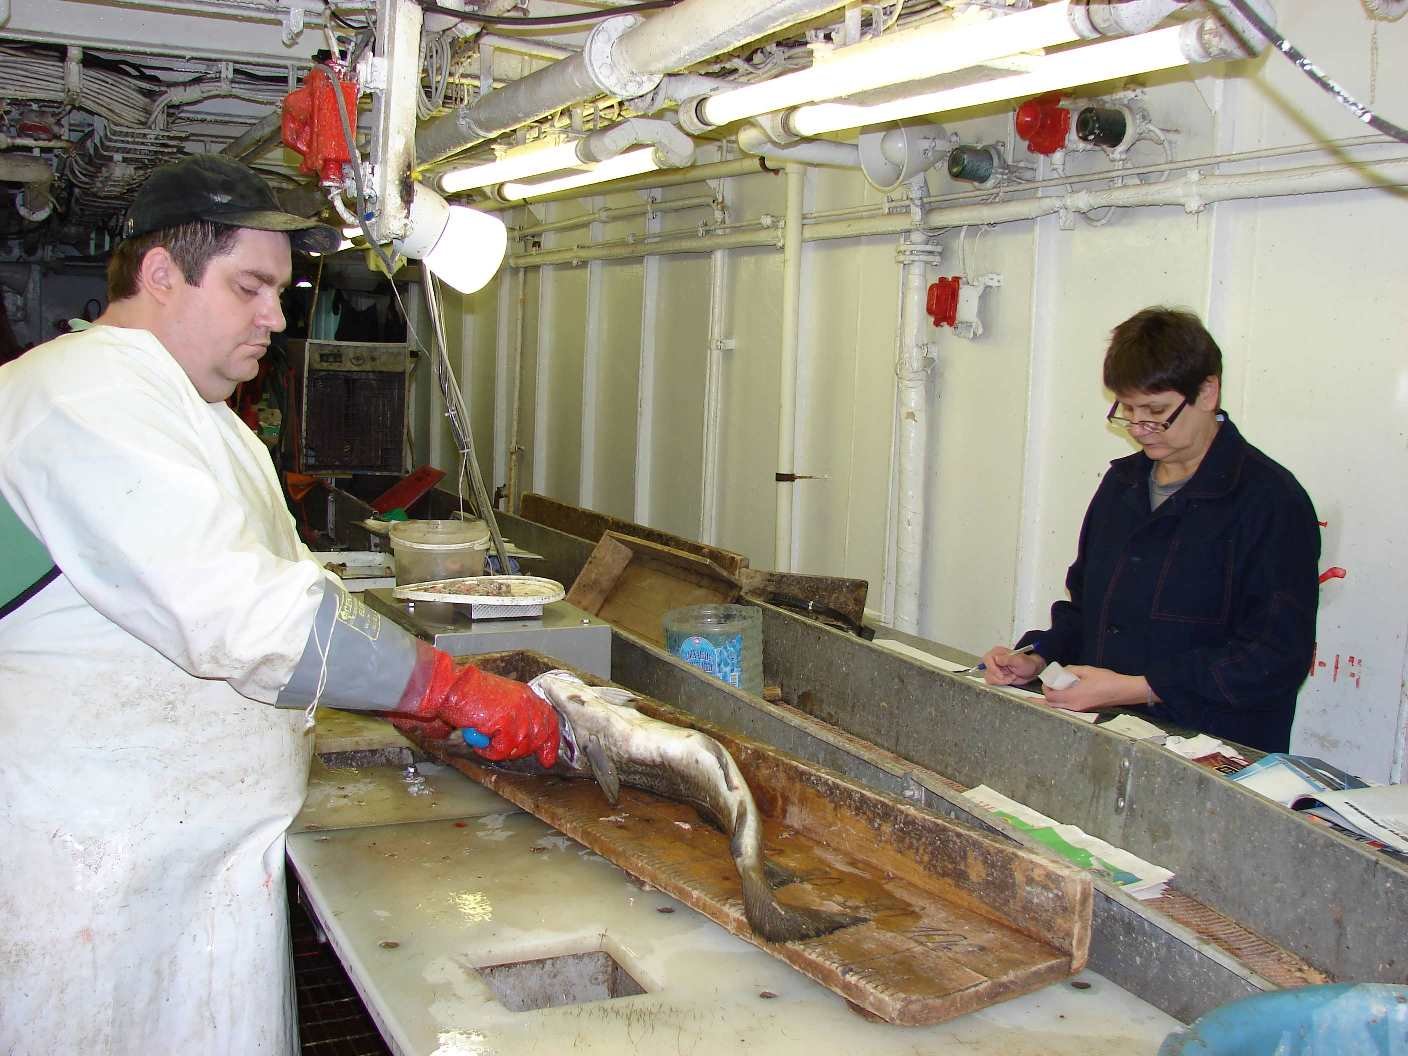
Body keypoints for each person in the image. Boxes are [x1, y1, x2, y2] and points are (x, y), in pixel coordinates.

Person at [0, 154, 559, 1054]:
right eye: (249, 288)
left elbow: (293, 581)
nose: (276, 317)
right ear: (160, 273)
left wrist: (392, 695)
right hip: (95, 872)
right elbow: (244, 613)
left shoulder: (200, 417)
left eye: (281, 291)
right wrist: (441, 687)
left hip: (183, 858)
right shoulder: (84, 393)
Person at [981, 307, 1320, 754]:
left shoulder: (1269, 500)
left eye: (1157, 412)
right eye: (1128, 410)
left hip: (1214, 750)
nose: (1140, 429)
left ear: (1207, 392)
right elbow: (1086, 609)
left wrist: (1139, 687)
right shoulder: (1122, 485)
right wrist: (1038, 656)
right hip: (1112, 736)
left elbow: (1273, 657)